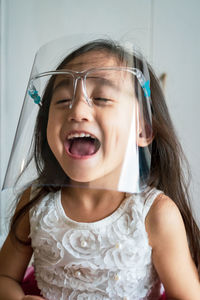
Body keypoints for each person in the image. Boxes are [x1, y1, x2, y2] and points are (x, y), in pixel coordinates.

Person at [0, 37, 200, 300]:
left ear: (143, 129)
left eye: (102, 98)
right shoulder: (36, 203)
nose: (77, 110)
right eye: (62, 101)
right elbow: (3, 278)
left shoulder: (156, 214)